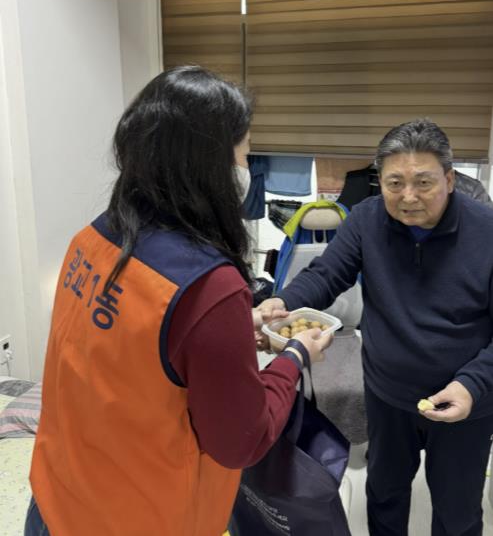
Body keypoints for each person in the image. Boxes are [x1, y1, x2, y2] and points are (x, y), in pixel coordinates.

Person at [25, 66, 331, 536]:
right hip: (137, 519)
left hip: (55, 498)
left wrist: (233, 326)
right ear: (208, 163)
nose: (246, 168)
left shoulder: (91, 240)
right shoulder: (209, 284)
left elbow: (131, 351)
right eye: (244, 151)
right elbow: (239, 442)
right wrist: (293, 357)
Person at [257, 118, 493, 536]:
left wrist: (473, 385)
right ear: (380, 182)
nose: (408, 197)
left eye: (423, 182)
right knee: (384, 494)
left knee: (458, 511)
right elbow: (327, 274)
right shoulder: (367, 220)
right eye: (394, 183)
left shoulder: (486, 231)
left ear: (449, 179)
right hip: (388, 394)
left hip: (465, 400)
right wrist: (283, 302)